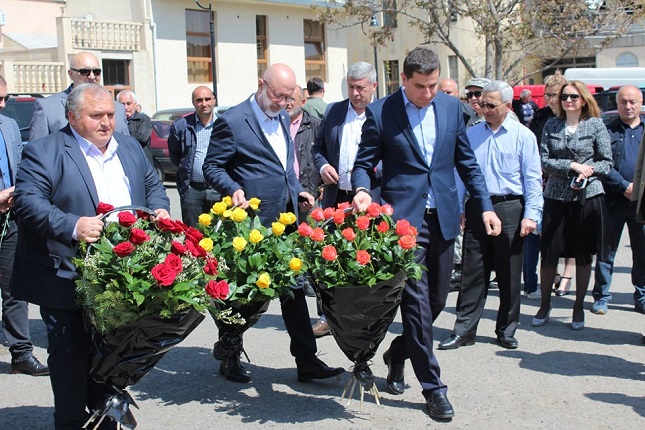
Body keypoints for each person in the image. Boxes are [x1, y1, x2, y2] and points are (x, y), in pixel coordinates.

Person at [351, 46, 502, 420]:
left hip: (445, 218)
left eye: (434, 85)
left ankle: (397, 352)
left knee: (435, 303)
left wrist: (485, 206)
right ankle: (434, 389)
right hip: (405, 224)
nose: (429, 93)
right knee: (417, 307)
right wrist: (361, 190)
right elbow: (364, 162)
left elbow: (467, 163)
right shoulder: (381, 111)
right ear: (404, 79)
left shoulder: (452, 108)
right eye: (421, 86)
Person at [12, 83, 170, 429]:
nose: (106, 123)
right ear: (72, 117)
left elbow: (153, 185)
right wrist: (73, 225)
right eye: (96, 115)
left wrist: (159, 210)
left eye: (111, 115)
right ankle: (69, 422)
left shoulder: (128, 147)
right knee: (70, 354)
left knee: (111, 353)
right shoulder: (44, 151)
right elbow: (28, 202)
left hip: (122, 273)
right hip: (66, 273)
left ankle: (102, 417)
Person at [202, 63, 344, 384]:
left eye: (289, 98)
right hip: (251, 224)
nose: (283, 103)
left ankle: (306, 360)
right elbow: (212, 167)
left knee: (293, 291)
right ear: (261, 85)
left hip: (286, 220)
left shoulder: (282, 117)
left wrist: (299, 194)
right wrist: (233, 188)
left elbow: (284, 169)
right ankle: (230, 351)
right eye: (278, 96)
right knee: (248, 295)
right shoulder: (233, 121)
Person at [438, 81, 543, 351]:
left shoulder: (523, 136)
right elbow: (461, 173)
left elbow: (532, 180)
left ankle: (506, 329)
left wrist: (531, 215)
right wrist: (460, 206)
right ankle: (464, 330)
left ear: (507, 106)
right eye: (481, 103)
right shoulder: (473, 135)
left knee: (509, 272)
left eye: (490, 105)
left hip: (510, 207)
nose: (484, 109)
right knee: (473, 270)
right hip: (476, 207)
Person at [532, 80, 613, 331]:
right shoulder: (552, 124)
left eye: (574, 97)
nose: (568, 101)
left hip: (587, 197)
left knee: (583, 254)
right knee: (549, 254)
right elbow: (544, 160)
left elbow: (606, 162)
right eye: (565, 96)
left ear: (584, 99)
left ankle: (578, 306)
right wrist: (571, 166)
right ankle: (545, 304)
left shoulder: (595, 124)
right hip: (556, 196)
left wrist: (587, 172)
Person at [312, 62, 379, 337]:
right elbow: (317, 148)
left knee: (367, 255)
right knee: (329, 254)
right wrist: (322, 166)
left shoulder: (383, 113)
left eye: (360, 87)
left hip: (370, 197)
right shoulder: (335, 111)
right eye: (350, 87)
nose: (355, 93)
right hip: (337, 195)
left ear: (373, 86)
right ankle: (327, 316)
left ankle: (365, 316)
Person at [0, 75, 49, 377]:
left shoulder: (7, 126)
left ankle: (21, 353)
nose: (3, 105)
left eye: (5, 98)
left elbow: (19, 166)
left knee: (14, 287)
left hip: (10, 218)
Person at [592, 85, 645, 315]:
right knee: (606, 251)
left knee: (642, 251)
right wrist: (624, 187)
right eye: (623, 101)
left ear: (641, 103)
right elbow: (601, 164)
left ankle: (641, 296)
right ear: (617, 104)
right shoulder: (607, 130)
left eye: (633, 101)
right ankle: (601, 296)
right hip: (613, 200)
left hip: (641, 203)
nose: (628, 106)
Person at [526, 74, 575, 299]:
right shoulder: (541, 116)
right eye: (547, 95)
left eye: (554, 95)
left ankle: (567, 274)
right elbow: (535, 146)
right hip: (545, 178)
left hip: (571, 179)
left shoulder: (573, 116)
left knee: (571, 231)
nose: (550, 99)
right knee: (547, 231)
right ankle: (552, 272)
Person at [29, 51, 129, 141]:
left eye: (96, 72)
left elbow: (126, 148)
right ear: (71, 74)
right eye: (85, 72)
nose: (92, 77)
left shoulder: (118, 109)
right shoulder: (48, 108)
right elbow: (37, 151)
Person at [286, 85, 321, 299]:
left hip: (309, 192)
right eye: (286, 99)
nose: (288, 103)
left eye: (293, 99)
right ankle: (293, 279)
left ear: (303, 102)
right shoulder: (276, 125)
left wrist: (320, 188)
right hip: (284, 193)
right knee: (288, 239)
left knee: (311, 239)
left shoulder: (315, 125)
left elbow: (324, 157)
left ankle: (309, 279)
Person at [168, 86, 220, 227]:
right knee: (193, 235)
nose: (204, 104)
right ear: (193, 102)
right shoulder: (181, 126)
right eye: (199, 100)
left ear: (214, 100)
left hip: (218, 189)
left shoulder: (224, 124)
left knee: (220, 234)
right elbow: (175, 155)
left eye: (207, 99)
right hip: (192, 189)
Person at [116, 90, 153, 166]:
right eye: (122, 104)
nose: (126, 107)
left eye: (129, 104)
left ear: (135, 104)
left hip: (141, 163)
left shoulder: (143, 119)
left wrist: (121, 137)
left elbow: (142, 138)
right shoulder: (115, 121)